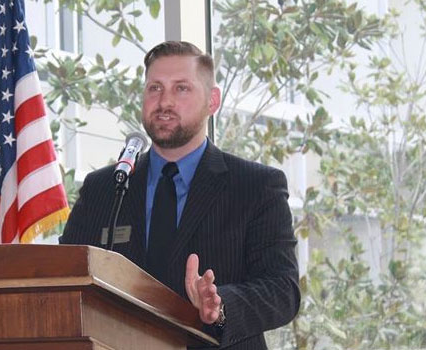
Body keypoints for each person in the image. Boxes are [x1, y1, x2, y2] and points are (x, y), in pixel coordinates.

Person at [59, 41, 300, 349]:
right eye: (154, 88)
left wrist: (221, 305)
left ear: (212, 101)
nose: (164, 102)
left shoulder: (255, 186)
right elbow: (67, 277)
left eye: (182, 89)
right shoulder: (105, 188)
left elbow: (283, 290)